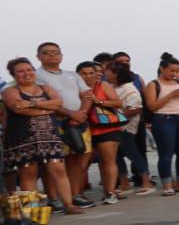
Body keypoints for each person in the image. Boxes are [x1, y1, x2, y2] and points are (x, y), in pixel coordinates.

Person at [2, 58, 79, 214]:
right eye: (21, 71)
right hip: (22, 138)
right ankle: (33, 209)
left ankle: (69, 204)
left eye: (29, 69)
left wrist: (31, 104)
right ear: (13, 75)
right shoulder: (10, 91)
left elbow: (58, 103)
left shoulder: (46, 88)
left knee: (59, 170)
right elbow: (17, 108)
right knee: (28, 173)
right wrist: (46, 107)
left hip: (49, 136)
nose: (26, 73)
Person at [34, 43, 94, 208]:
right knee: (53, 163)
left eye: (56, 53)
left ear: (61, 55)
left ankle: (75, 194)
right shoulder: (37, 76)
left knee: (76, 160)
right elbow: (42, 101)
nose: (52, 56)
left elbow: (87, 95)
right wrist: (69, 113)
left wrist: (81, 114)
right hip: (53, 122)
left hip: (78, 122)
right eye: (47, 53)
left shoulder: (72, 74)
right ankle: (54, 198)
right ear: (38, 56)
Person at [145, 54, 179, 195]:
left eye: (177, 71)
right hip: (163, 119)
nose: (175, 74)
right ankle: (167, 185)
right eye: (171, 71)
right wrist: (170, 96)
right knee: (166, 154)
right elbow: (152, 106)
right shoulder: (153, 84)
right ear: (162, 69)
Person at [80, 61, 124, 204]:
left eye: (91, 73)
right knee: (81, 164)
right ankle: (78, 194)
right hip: (84, 129)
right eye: (84, 73)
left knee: (108, 161)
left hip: (107, 128)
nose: (88, 76)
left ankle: (110, 192)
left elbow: (118, 103)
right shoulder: (75, 88)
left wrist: (98, 101)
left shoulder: (103, 86)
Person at [108, 62, 152, 195]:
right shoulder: (112, 87)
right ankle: (124, 182)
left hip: (125, 128)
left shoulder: (129, 89)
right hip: (112, 128)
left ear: (115, 73)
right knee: (116, 156)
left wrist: (116, 119)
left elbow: (136, 109)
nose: (105, 74)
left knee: (132, 153)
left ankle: (146, 181)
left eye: (108, 71)